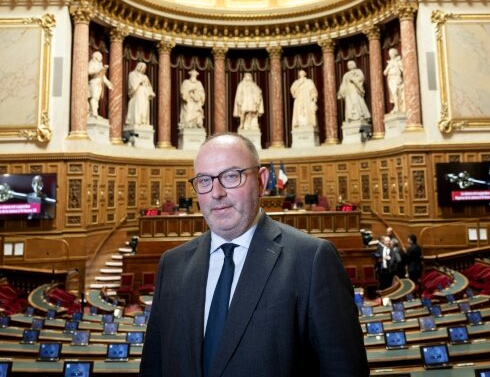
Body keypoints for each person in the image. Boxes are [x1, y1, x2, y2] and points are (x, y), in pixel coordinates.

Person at [139, 133, 369, 377]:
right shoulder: (172, 265)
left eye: (230, 176)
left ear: (261, 180)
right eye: (204, 180)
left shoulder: (312, 260)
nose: (216, 192)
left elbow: (344, 370)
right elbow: (155, 367)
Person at [88, 51, 112, 118]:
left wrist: (108, 83)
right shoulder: (91, 63)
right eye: (100, 56)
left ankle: (93, 112)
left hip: (99, 82)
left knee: (97, 99)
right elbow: (89, 71)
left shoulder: (100, 65)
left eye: (101, 56)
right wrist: (99, 70)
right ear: (95, 56)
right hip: (94, 82)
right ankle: (94, 113)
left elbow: (102, 76)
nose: (101, 58)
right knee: (94, 97)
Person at [383, 48, 405, 113]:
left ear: (395, 53)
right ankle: (396, 106)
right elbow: (384, 73)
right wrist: (389, 66)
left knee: (397, 92)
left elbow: (404, 70)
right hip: (390, 79)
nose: (391, 55)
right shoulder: (390, 63)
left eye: (392, 53)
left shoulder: (399, 61)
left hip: (397, 78)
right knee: (393, 93)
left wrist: (397, 65)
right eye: (390, 54)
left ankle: (398, 107)